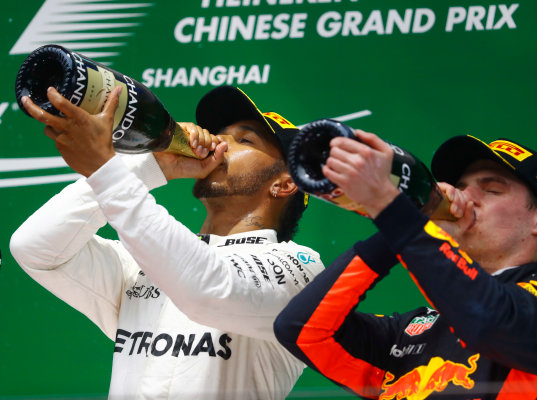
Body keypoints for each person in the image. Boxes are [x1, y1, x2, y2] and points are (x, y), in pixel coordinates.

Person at [10, 84, 324, 399]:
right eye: (221, 133)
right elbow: (35, 248)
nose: (220, 142)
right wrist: (150, 166)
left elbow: (208, 290)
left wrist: (106, 170)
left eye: (244, 139)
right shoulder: (143, 263)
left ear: (284, 184)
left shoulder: (302, 269)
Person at [274, 130, 537, 399]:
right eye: (463, 186)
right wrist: (406, 222)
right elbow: (300, 329)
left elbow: (488, 320)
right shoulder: (411, 330)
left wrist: (392, 209)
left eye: (492, 188)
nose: (467, 197)